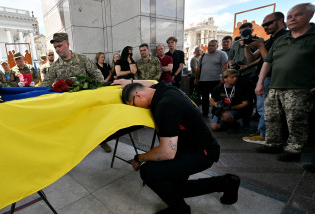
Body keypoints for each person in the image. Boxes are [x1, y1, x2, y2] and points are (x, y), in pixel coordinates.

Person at [111, 79, 240, 214]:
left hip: (202, 153)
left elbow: (167, 152)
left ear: (138, 95)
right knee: (174, 189)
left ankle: (180, 211)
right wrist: (129, 81)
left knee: (149, 172)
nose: (136, 109)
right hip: (188, 145)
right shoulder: (162, 89)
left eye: (133, 105)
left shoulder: (165, 107)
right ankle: (227, 182)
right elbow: (149, 82)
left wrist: (138, 158)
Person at [255, 3, 315, 162]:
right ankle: (273, 143)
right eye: (290, 16)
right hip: (275, 86)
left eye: (298, 15)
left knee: (296, 120)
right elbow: (267, 61)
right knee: (271, 117)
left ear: (310, 15)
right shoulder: (281, 40)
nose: (292, 19)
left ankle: (294, 150)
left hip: (299, 88)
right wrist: (260, 82)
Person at [241, 12, 288, 144]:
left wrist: (260, 46)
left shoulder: (285, 37)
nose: (265, 27)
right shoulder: (269, 40)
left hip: (274, 78)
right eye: (263, 25)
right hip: (265, 78)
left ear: (279, 21)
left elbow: (273, 60)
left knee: (266, 108)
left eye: (268, 24)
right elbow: (251, 58)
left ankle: (265, 135)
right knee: (264, 108)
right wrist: (246, 46)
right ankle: (264, 133)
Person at [228, 22, 264, 129]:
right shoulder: (235, 43)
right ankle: (237, 119)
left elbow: (261, 59)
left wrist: (246, 67)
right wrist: (232, 66)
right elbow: (230, 58)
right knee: (239, 98)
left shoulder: (258, 41)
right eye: (240, 32)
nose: (242, 34)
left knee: (250, 99)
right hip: (237, 75)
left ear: (251, 31)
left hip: (250, 74)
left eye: (245, 32)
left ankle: (248, 122)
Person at [196, 40, 228, 117]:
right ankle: (205, 112)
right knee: (204, 98)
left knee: (216, 98)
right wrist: (197, 78)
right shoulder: (203, 55)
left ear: (217, 46)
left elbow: (225, 66)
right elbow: (199, 68)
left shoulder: (222, 54)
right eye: (209, 45)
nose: (210, 47)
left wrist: (223, 78)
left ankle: (215, 113)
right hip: (203, 80)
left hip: (216, 80)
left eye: (213, 45)